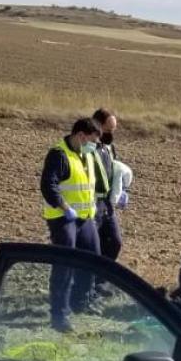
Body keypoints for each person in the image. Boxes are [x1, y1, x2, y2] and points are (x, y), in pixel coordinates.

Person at [40, 117, 104, 332]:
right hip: (63, 218)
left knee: (92, 258)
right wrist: (65, 207)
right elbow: (49, 186)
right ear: (80, 136)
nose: (94, 145)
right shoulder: (59, 154)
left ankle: (81, 302)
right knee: (64, 265)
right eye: (92, 141)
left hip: (85, 217)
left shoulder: (86, 155)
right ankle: (59, 315)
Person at [91, 108, 123, 261]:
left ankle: (101, 281)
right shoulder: (87, 148)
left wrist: (122, 190)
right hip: (92, 203)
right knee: (92, 246)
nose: (111, 133)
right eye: (108, 129)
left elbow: (115, 167)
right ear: (97, 126)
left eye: (113, 130)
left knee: (114, 243)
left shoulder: (109, 147)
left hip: (107, 203)